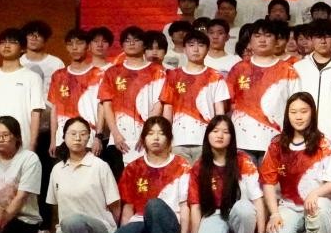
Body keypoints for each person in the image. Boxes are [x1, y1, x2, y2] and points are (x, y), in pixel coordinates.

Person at [260, 92, 331, 233]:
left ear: (312, 113)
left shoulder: (325, 143)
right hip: (290, 206)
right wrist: (274, 214)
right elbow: (268, 182)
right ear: (287, 115)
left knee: (319, 209)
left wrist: (315, 193)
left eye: (304, 111)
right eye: (293, 112)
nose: (298, 117)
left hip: (321, 202)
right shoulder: (276, 145)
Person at [101, 116, 190, 233]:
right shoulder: (133, 168)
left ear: (169, 139)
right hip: (140, 222)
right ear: (143, 139)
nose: (156, 138)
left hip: (169, 223)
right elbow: (128, 208)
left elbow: (184, 206)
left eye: (161, 133)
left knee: (154, 205)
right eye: (150, 133)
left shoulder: (181, 165)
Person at [188, 115, 266, 233]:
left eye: (225, 132)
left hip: (238, 212)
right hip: (214, 214)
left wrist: (260, 232)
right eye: (215, 131)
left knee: (244, 208)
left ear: (232, 137)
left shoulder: (243, 160)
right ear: (207, 135)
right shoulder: (199, 166)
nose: (220, 135)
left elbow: (257, 199)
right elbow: (195, 206)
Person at [42, 118, 120, 233]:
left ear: (89, 137)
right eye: (73, 134)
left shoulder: (99, 166)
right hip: (66, 229)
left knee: (73, 221)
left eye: (83, 134)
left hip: (99, 229)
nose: (77, 138)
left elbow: (115, 205)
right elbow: (55, 207)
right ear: (64, 137)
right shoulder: (57, 170)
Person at [224, 20, 301, 162]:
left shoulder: (288, 70)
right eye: (257, 35)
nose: (262, 40)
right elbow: (227, 104)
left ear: (276, 40)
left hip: (276, 140)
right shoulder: (238, 69)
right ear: (250, 41)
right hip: (242, 140)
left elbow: (296, 106)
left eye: (268, 35)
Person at [97, 27, 167, 173]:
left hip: (147, 138)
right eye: (127, 40)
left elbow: (158, 104)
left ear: (144, 44)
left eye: (136, 40)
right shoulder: (112, 72)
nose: (131, 43)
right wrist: (115, 134)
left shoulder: (157, 71)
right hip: (119, 140)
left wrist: (147, 133)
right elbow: (107, 105)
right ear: (122, 45)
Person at [0, 28, 45, 159]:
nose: (6, 45)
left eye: (12, 42)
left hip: (21, 142)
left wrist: (33, 144)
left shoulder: (32, 78)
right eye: (3, 42)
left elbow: (36, 113)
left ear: (22, 48)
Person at [159, 30, 230, 163]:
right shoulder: (173, 75)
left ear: (207, 49)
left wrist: (218, 138)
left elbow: (220, 112)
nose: (196, 49)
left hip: (206, 141)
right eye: (191, 45)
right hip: (178, 141)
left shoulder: (215, 76)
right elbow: (168, 110)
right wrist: (167, 138)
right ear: (184, 49)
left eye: (201, 45)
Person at [294, 20, 331, 161]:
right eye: (318, 37)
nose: (323, 41)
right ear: (311, 39)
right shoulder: (299, 68)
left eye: (327, 36)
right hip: (303, 139)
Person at [47, 29, 103, 159]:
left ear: (88, 46)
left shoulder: (99, 74)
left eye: (79, 43)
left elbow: (102, 108)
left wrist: (98, 137)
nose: (74, 47)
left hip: (89, 140)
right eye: (70, 44)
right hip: (62, 141)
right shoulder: (58, 76)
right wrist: (53, 140)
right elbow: (54, 109)